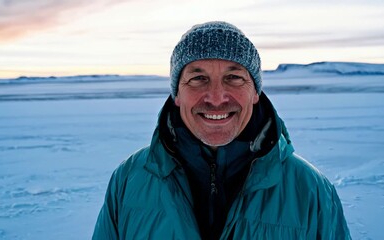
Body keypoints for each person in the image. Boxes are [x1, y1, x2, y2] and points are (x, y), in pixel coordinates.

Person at [92, 21, 351, 239]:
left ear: (255, 92)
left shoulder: (310, 189)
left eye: (234, 77)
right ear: (177, 94)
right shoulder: (129, 179)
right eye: (198, 78)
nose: (216, 98)